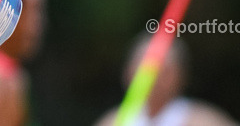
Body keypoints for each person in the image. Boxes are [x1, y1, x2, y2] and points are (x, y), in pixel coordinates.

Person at [94, 36, 237, 126]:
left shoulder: (204, 121)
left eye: (164, 70)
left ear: (181, 76)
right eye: (142, 66)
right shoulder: (112, 121)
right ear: (128, 73)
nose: (152, 76)